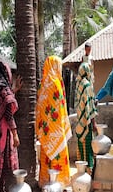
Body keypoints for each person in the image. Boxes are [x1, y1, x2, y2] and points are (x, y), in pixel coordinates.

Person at [36, 56, 72, 188]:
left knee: (46, 154)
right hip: (56, 129)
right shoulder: (56, 83)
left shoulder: (42, 85)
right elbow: (61, 107)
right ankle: (60, 182)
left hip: (46, 131)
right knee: (58, 153)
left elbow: (39, 109)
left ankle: (45, 181)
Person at [0, 60, 22, 192]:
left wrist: (14, 90)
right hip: (4, 135)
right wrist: (15, 134)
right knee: (7, 169)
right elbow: (8, 114)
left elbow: (2, 101)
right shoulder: (4, 90)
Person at [75, 62, 98, 173]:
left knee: (81, 145)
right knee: (88, 146)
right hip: (87, 123)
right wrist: (94, 124)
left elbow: (81, 104)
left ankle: (81, 171)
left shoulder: (78, 85)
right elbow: (89, 107)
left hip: (80, 122)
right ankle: (89, 172)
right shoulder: (87, 85)